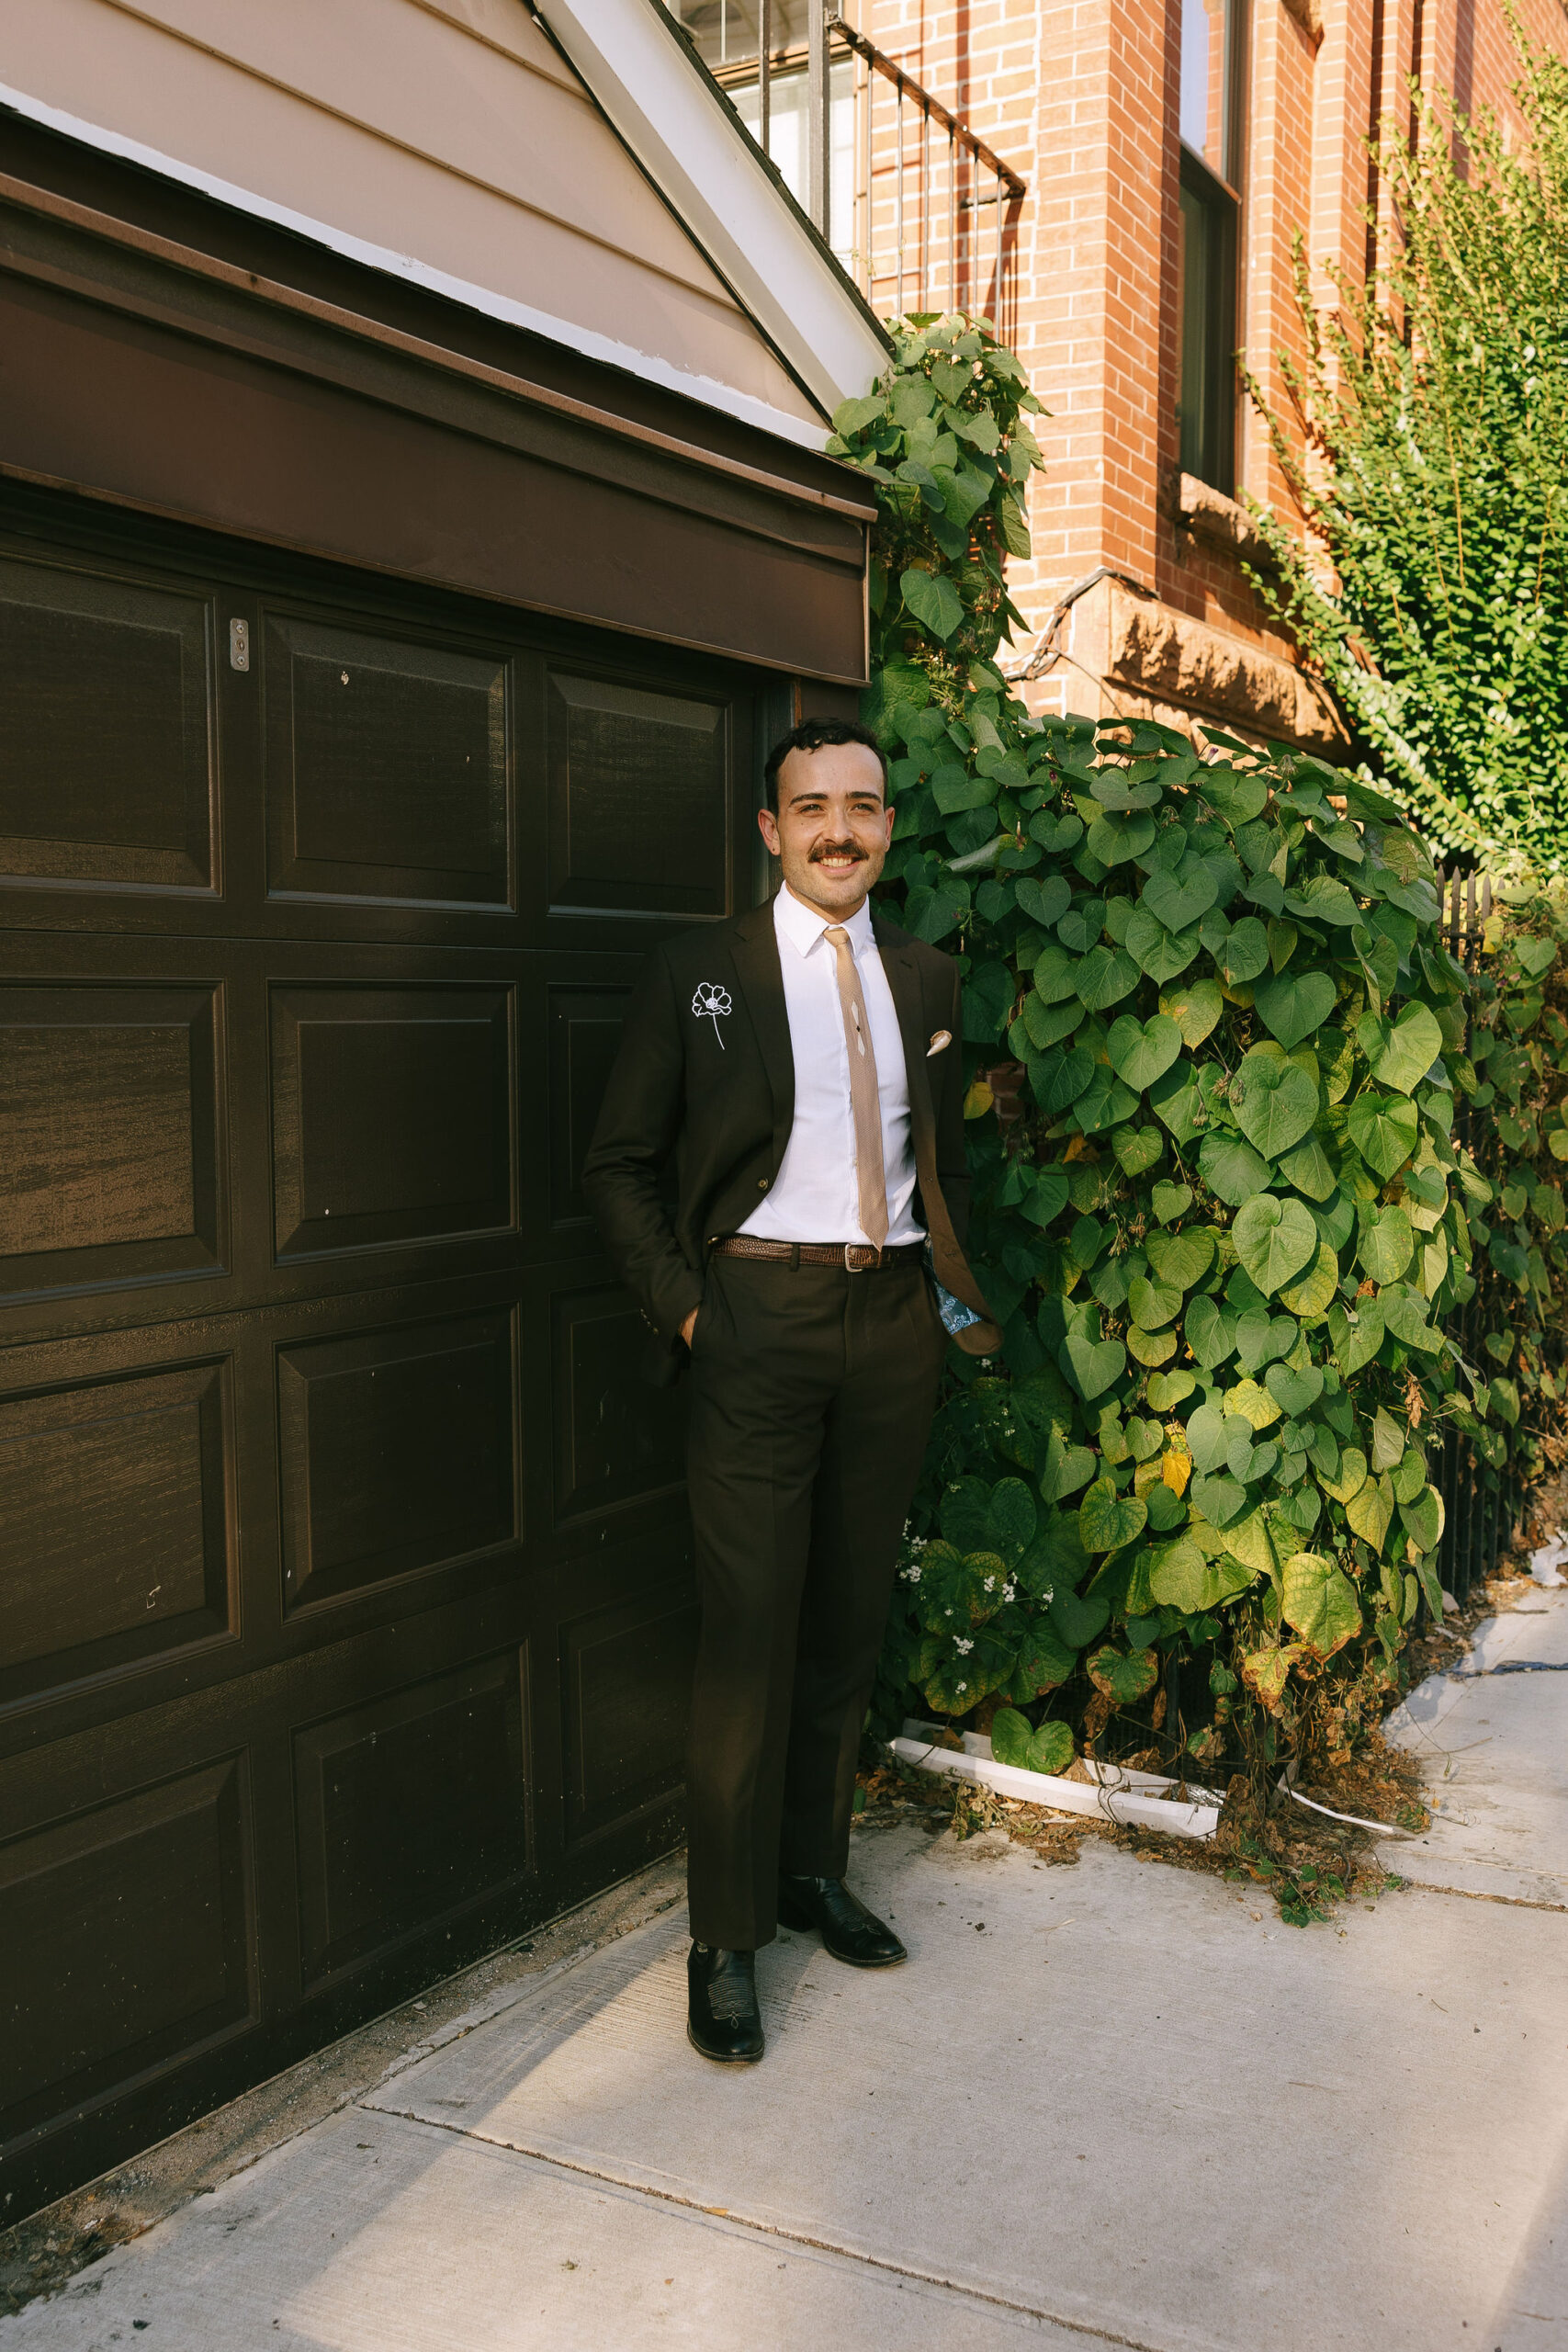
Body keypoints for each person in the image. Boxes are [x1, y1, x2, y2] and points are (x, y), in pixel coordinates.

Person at [582, 717, 998, 2064]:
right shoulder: (699, 973)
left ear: (887, 826)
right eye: (810, 806)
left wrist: (935, 1300)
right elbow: (618, 1164)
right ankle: (723, 1936)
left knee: (844, 1618)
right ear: (770, 830)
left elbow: (934, 1159)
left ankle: (813, 1874)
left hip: (887, 1320)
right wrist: (694, 1308)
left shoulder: (926, 981)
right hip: (752, 1316)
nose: (839, 828)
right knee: (749, 1630)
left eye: (862, 806)